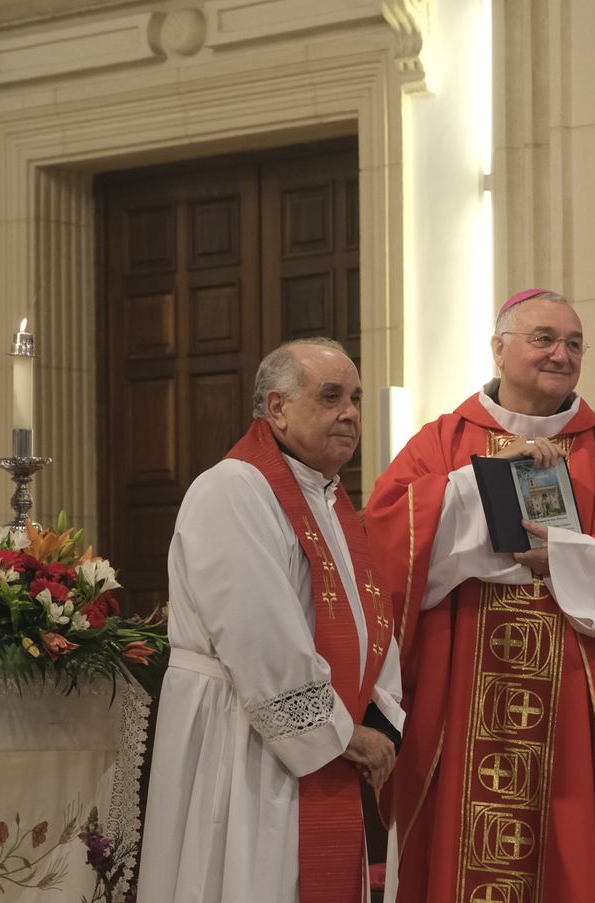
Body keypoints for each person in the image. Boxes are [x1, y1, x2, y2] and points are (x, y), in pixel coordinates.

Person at [365, 289, 595, 902]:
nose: (560, 355)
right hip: (461, 700)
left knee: (567, 858)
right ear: (499, 348)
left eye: (573, 344)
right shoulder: (442, 443)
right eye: (543, 339)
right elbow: (385, 539)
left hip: (573, 710)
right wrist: (476, 485)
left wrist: (567, 559)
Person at [139, 338, 403, 903]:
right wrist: (339, 732)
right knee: (247, 876)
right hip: (240, 735)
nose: (350, 412)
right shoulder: (234, 489)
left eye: (355, 398)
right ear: (277, 408)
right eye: (331, 396)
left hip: (310, 731)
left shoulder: (330, 500)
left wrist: (379, 717)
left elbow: (370, 618)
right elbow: (259, 633)